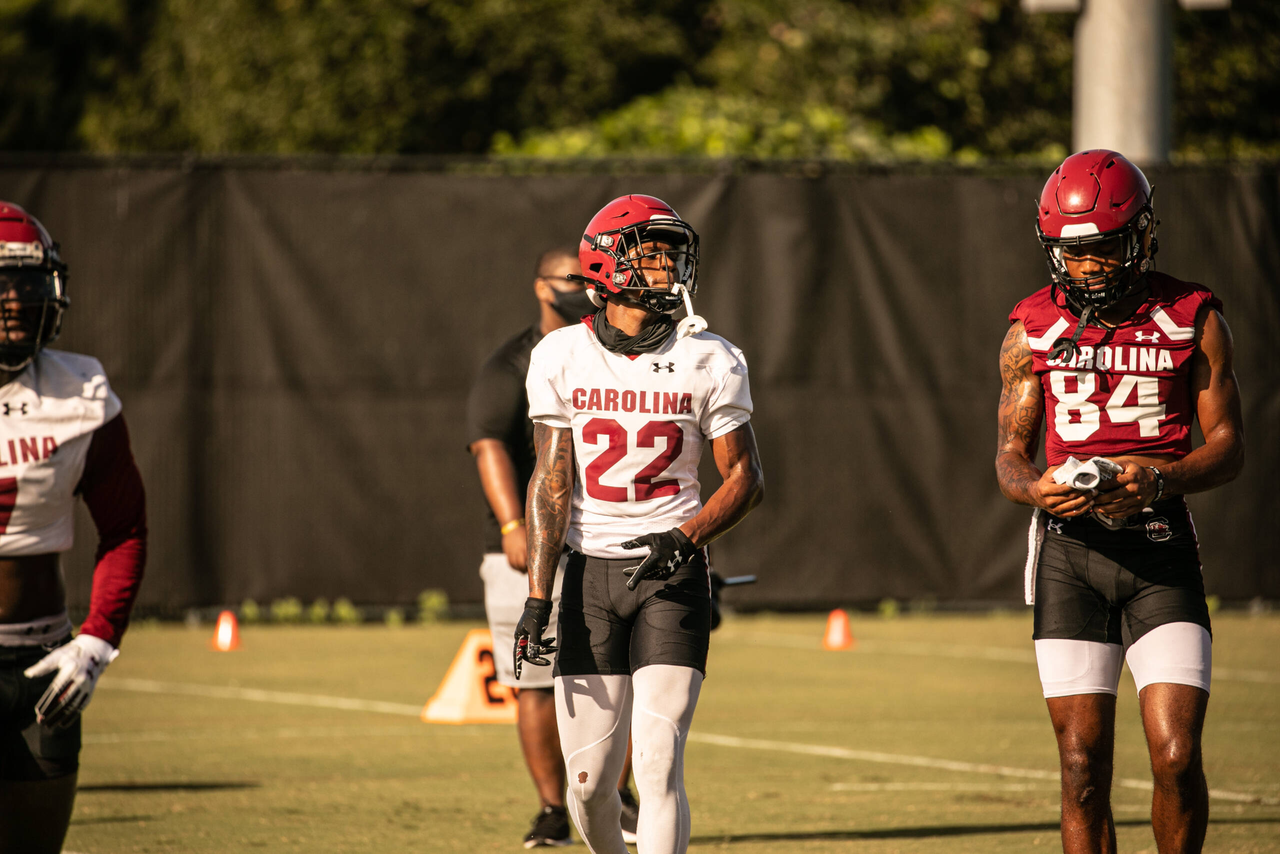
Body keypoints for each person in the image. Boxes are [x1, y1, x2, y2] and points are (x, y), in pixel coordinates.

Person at [996, 151, 1244, 854]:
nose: (1089, 267)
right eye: (1073, 254)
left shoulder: (1192, 315)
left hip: (1159, 552)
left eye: (1104, 247)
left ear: (1141, 235)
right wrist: (1032, 488)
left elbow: (1230, 446)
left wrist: (1161, 478)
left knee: (1176, 755)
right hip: (1069, 557)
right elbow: (1010, 456)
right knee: (1080, 768)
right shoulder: (1030, 327)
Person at [515, 194, 764, 854]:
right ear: (607, 263)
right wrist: (538, 598)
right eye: (652, 253)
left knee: (656, 763)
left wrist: (685, 538)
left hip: (672, 571)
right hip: (589, 573)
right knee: (590, 786)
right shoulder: (561, 354)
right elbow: (552, 483)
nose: (669, 267)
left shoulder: (711, 356)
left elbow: (745, 479)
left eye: (671, 252)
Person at [466, 247, 639, 848]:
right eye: (571, 278)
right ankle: (550, 809)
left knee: (621, 675)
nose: (581, 287)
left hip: (602, 539)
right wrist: (515, 526)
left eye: (589, 277)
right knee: (535, 679)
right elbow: (488, 444)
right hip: (531, 541)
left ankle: (617, 798)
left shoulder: (612, 350)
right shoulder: (514, 362)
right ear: (541, 287)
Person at [0, 201, 147, 854]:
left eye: (29, 287)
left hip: (39, 661)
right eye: (1, 287)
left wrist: (96, 642)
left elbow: (124, 528)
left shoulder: (79, 390)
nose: (17, 304)